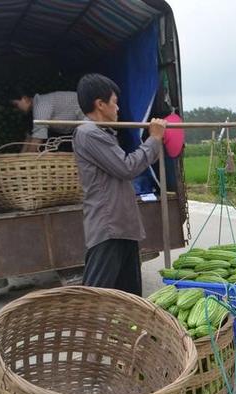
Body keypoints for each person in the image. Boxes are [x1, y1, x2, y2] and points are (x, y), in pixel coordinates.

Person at [72, 73, 167, 296]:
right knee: (97, 297)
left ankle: (127, 332)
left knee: (129, 296)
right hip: (109, 228)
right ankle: (90, 332)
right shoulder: (88, 133)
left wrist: (154, 141)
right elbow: (127, 167)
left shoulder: (103, 133)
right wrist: (153, 139)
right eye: (115, 103)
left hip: (123, 227)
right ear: (100, 104)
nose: (118, 109)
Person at [10, 88, 85, 152]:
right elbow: (29, 139)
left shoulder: (41, 107)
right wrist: (22, 158)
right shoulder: (34, 110)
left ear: (25, 99)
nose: (16, 109)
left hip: (87, 110)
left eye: (16, 105)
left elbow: (38, 138)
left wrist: (26, 161)